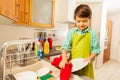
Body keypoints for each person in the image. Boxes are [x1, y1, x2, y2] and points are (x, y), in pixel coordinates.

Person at [59, 4, 100, 80]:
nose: (81, 24)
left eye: (84, 21)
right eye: (78, 21)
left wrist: (90, 57)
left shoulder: (92, 33)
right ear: (75, 20)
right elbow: (65, 46)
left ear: (89, 19)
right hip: (73, 65)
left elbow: (96, 50)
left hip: (86, 65)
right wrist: (64, 58)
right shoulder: (71, 32)